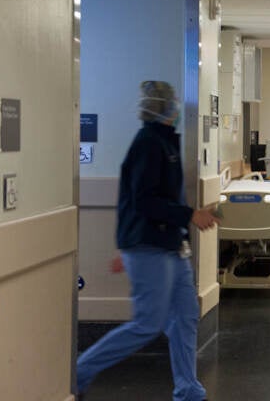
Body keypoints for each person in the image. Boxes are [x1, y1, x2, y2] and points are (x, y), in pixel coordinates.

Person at [76, 81, 219, 401]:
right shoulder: (148, 144)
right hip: (150, 247)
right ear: (162, 108)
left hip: (169, 245)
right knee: (147, 324)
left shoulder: (166, 143)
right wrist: (189, 216)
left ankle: (188, 389)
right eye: (173, 104)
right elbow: (143, 201)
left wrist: (188, 218)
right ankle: (80, 370)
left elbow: (151, 198)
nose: (178, 108)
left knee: (185, 316)